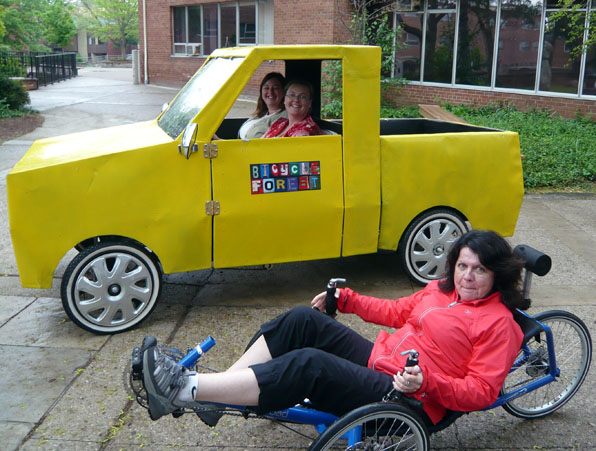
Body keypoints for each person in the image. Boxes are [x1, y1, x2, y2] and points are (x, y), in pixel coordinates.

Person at [141, 230, 526, 427]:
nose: (468, 276)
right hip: (381, 363)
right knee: (301, 319)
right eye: (462, 266)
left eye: (480, 269)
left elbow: (482, 392)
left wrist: (425, 383)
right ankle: (221, 390)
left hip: (412, 400)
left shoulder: (499, 325)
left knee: (310, 364)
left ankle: (184, 388)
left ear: (497, 274)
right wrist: (346, 300)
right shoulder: (439, 291)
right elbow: (395, 312)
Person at [238, 72, 288, 140]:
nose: (270, 92)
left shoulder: (286, 117)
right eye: (266, 88)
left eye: (275, 88)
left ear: (284, 91)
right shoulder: (260, 114)